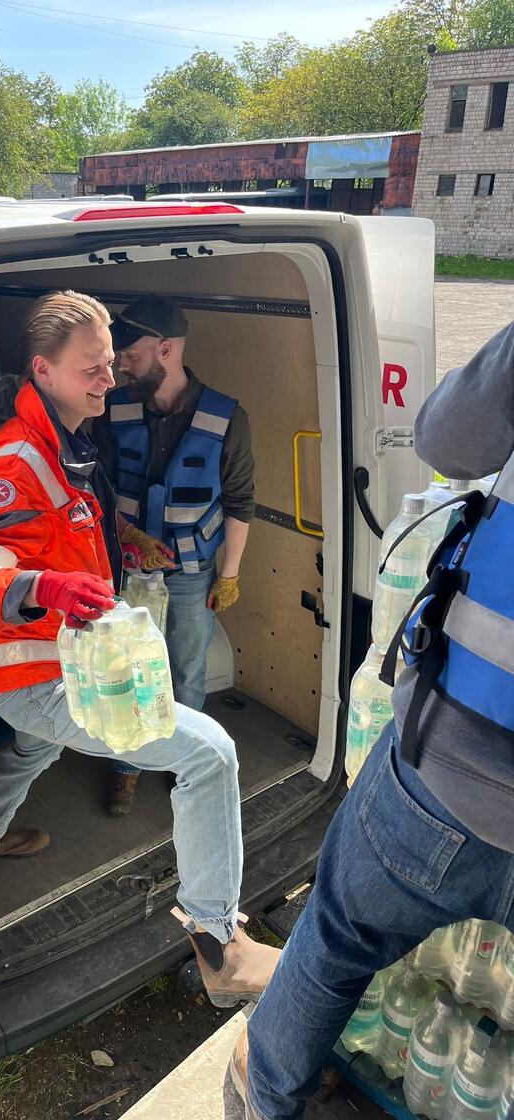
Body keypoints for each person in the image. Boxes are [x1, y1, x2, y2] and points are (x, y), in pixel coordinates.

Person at [0, 289, 279, 1000]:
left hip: (57, 670)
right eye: (91, 366)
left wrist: (121, 539)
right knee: (210, 753)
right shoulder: (17, 463)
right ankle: (219, 946)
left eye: (109, 362)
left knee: (38, 748)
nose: (108, 376)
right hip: (40, 676)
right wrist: (44, 587)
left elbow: (65, 528)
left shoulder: (68, 446)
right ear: (43, 369)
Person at [225, 322, 514, 1119]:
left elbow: (447, 439)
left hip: (454, 768)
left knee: (338, 937)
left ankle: (267, 1102)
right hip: (461, 762)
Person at [90, 294, 255, 816]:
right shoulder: (112, 409)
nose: (119, 364)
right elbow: (97, 490)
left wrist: (229, 575)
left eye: (129, 353)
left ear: (166, 349)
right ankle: (126, 765)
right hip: (127, 568)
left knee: (185, 669)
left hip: (191, 573)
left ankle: (183, 759)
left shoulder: (227, 417)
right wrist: (128, 536)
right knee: (127, 667)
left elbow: (240, 501)